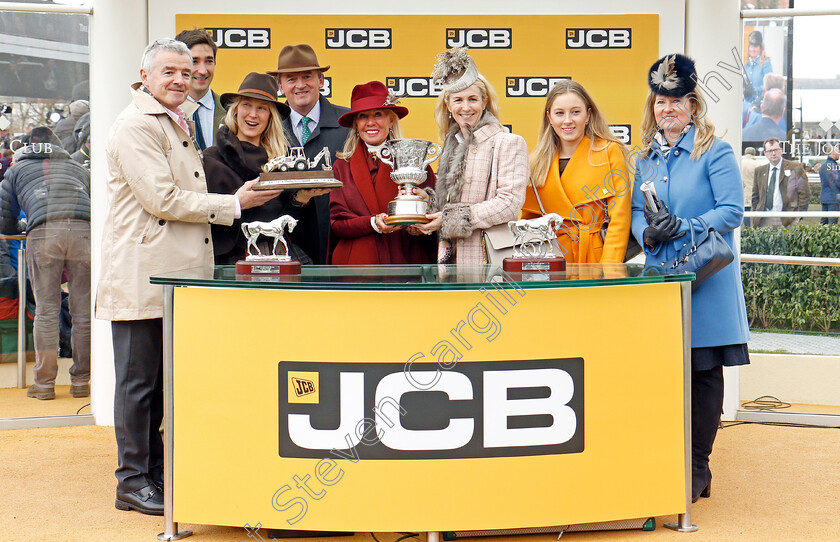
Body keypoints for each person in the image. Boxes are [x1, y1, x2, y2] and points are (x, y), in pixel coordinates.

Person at [96, 39, 281, 516]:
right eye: (169, 72)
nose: (180, 79)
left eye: (187, 70)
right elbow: (162, 199)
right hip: (144, 276)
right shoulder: (137, 125)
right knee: (137, 385)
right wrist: (236, 203)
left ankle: (152, 473)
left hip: (171, 276)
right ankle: (132, 480)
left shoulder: (169, 121)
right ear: (145, 75)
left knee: (156, 386)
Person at [631, 54, 750, 504]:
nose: (669, 108)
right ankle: (669, 458)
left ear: (693, 104)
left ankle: (698, 466)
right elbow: (639, 215)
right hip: (662, 279)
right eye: (662, 100)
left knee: (703, 375)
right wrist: (647, 231)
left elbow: (731, 212)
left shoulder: (714, 150)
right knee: (665, 375)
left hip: (707, 278)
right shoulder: (643, 157)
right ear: (653, 107)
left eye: (677, 99)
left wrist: (684, 225)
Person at [411, 47, 528, 265]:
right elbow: (451, 205)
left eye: (472, 99)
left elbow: (510, 203)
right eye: (458, 100)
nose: (466, 107)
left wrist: (449, 219)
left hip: (490, 258)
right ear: (448, 105)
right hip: (450, 258)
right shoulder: (450, 145)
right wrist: (427, 204)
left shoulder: (509, 142)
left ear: (484, 102)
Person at [0, 126, 90, 401]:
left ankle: (44, 383)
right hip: (84, 232)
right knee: (82, 311)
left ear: (27, 146)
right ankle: (81, 381)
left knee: (47, 310)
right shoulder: (76, 166)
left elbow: (4, 217)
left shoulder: (16, 169)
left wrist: (21, 225)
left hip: (44, 233)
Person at [521, 80, 631, 263]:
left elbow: (619, 218)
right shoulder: (536, 162)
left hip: (594, 259)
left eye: (575, 112)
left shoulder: (609, 151)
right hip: (552, 262)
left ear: (588, 115)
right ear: (549, 118)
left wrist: (609, 268)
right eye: (559, 113)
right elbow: (529, 223)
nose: (567, 120)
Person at [329, 81, 436, 265]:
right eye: (363, 116)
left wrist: (421, 223)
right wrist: (372, 223)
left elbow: (436, 215)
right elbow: (337, 225)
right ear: (355, 124)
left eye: (378, 114)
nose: (371, 122)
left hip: (406, 262)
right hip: (358, 267)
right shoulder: (341, 167)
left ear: (391, 120)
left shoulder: (416, 161)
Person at [267, 44, 350, 264]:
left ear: (321, 80)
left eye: (307, 76)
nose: (300, 85)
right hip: (287, 248)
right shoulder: (267, 128)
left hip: (341, 245)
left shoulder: (348, 123)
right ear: (280, 86)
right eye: (291, 79)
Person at [204, 72, 295, 264]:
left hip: (275, 261)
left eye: (262, 108)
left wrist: (302, 200)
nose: (253, 114)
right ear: (235, 110)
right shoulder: (211, 159)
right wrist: (237, 203)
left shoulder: (281, 162)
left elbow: (290, 223)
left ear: (271, 116)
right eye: (247, 105)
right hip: (225, 267)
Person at [175, 28, 226, 151]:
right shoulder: (166, 113)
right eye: (194, 61)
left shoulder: (231, 111)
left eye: (209, 61)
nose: (202, 71)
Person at [751, 137, 809, 227]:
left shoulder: (795, 167)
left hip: (788, 219)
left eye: (776, 150)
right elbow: (755, 196)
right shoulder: (759, 171)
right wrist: (756, 214)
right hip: (765, 219)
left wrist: (798, 216)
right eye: (770, 151)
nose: (773, 153)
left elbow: (804, 193)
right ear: (765, 153)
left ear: (781, 151)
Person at [743, 29, 772, 126]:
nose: (753, 49)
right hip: (746, 107)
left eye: (755, 47)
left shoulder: (766, 64)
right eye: (751, 46)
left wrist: (754, 90)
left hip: (759, 107)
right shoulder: (746, 65)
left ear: (760, 48)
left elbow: (769, 86)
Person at [818, 146, 839, 225]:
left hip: (825, 197)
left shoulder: (823, 166)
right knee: (832, 224)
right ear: (833, 152)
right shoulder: (833, 166)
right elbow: (837, 182)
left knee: (823, 223)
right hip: (833, 199)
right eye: (838, 151)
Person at [740, 146, 758, 227]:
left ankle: (747, 228)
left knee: (746, 211)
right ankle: (754, 227)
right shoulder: (757, 164)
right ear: (754, 154)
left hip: (744, 190)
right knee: (755, 211)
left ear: (745, 153)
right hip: (754, 191)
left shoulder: (740, 163)